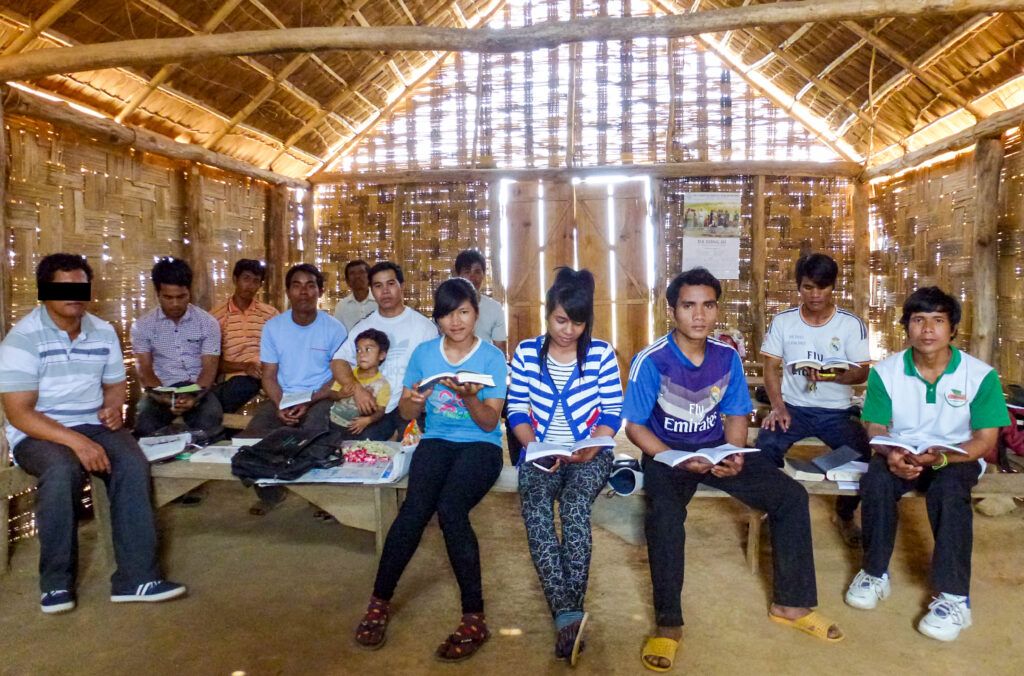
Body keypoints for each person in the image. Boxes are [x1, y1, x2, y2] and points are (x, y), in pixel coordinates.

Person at [623, 267, 842, 672]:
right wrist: (674, 457)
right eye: (688, 306)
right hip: (667, 454)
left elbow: (737, 413)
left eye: (707, 305)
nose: (699, 315)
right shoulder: (651, 361)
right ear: (672, 311)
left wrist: (732, 452)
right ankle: (669, 624)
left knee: (791, 497)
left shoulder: (726, 358)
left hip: (713, 450)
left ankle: (790, 605)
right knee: (665, 517)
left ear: (716, 309)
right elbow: (635, 426)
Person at [0, 254, 185, 614]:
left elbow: (115, 384)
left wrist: (113, 407)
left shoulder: (102, 331)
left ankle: (137, 579)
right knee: (61, 470)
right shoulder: (22, 339)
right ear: (43, 291)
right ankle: (55, 583)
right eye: (63, 287)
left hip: (92, 424)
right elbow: (19, 413)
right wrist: (76, 442)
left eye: (80, 287)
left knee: (132, 460)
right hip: (38, 432)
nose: (75, 295)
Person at [353, 278, 507, 661]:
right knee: (413, 512)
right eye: (446, 314)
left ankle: (475, 616)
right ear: (437, 318)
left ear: (476, 312)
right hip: (436, 440)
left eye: (463, 312)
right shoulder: (424, 354)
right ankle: (378, 601)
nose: (455, 322)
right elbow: (405, 412)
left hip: (480, 447)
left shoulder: (492, 358)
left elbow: (490, 424)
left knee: (452, 511)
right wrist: (416, 401)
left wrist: (469, 398)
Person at [845, 287, 1008, 642]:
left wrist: (944, 457)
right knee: (877, 480)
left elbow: (985, 440)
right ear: (907, 327)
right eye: (919, 320)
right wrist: (892, 454)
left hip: (956, 455)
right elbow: (875, 427)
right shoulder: (885, 372)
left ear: (953, 330)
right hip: (902, 450)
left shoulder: (980, 376)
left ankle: (954, 598)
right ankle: (874, 574)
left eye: (938, 320)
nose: (928, 329)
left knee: (949, 489)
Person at [507, 268, 623, 665]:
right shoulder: (526, 353)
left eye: (577, 322)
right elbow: (517, 410)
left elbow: (612, 411)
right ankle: (568, 615)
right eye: (560, 320)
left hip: (590, 453)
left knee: (575, 507)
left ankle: (566, 617)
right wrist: (534, 446)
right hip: (540, 450)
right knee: (536, 511)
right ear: (547, 315)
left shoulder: (602, 354)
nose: (568, 330)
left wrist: (594, 445)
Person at [757, 253, 871, 546]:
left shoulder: (850, 325)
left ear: (834, 287)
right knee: (766, 445)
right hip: (794, 409)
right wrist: (778, 407)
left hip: (838, 412)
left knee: (866, 451)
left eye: (823, 287)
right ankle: (774, 510)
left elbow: (861, 373)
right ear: (799, 287)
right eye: (808, 287)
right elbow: (770, 368)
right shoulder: (783, 322)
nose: (815, 294)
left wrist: (834, 377)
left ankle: (845, 513)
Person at [240, 264, 348, 514]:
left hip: (320, 396)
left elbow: (336, 377)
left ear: (320, 291)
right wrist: (281, 405)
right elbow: (269, 376)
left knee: (315, 431)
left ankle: (319, 498)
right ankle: (271, 493)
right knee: (254, 436)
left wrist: (310, 400)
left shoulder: (334, 328)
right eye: (297, 285)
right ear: (288, 291)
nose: (304, 291)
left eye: (311, 285)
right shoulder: (274, 327)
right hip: (284, 396)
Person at [331, 261, 437, 442]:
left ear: (402, 286)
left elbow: (434, 373)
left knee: (415, 452)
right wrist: (358, 390)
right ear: (372, 290)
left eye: (391, 284)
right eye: (378, 286)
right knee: (361, 448)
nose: (385, 291)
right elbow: (338, 361)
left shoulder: (424, 327)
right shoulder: (364, 326)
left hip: (410, 407)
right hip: (374, 406)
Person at [131, 257, 223, 441]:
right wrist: (162, 397)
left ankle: (201, 464)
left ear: (190, 292)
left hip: (198, 389)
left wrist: (194, 396)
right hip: (161, 389)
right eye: (168, 297)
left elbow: (209, 367)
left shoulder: (208, 323)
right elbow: (145, 370)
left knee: (211, 419)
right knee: (145, 422)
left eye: (181, 297)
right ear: (157, 294)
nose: (175, 304)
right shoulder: (143, 326)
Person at [210, 259, 278, 413]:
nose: (250, 286)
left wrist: (268, 369)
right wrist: (245, 367)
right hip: (236, 378)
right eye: (246, 279)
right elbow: (213, 362)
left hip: (269, 373)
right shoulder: (217, 316)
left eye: (256, 281)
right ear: (235, 279)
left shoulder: (270, 314)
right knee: (241, 385)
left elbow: (283, 350)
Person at [329, 328, 391, 437]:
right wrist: (339, 394)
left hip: (357, 428)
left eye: (368, 349)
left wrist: (368, 420)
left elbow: (380, 411)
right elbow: (332, 394)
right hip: (334, 422)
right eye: (358, 350)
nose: (362, 354)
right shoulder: (348, 375)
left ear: (382, 355)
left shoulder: (382, 385)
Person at [453, 249, 507, 356]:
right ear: (458, 275)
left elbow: (500, 350)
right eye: (467, 272)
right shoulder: (448, 307)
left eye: (477, 272)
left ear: (483, 275)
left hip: (485, 368)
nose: (472, 278)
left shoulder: (494, 308)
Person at [333, 259, 378, 331]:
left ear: (369, 278)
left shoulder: (379, 302)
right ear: (347, 281)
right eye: (352, 273)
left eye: (361, 272)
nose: (357, 276)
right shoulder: (341, 307)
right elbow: (338, 333)